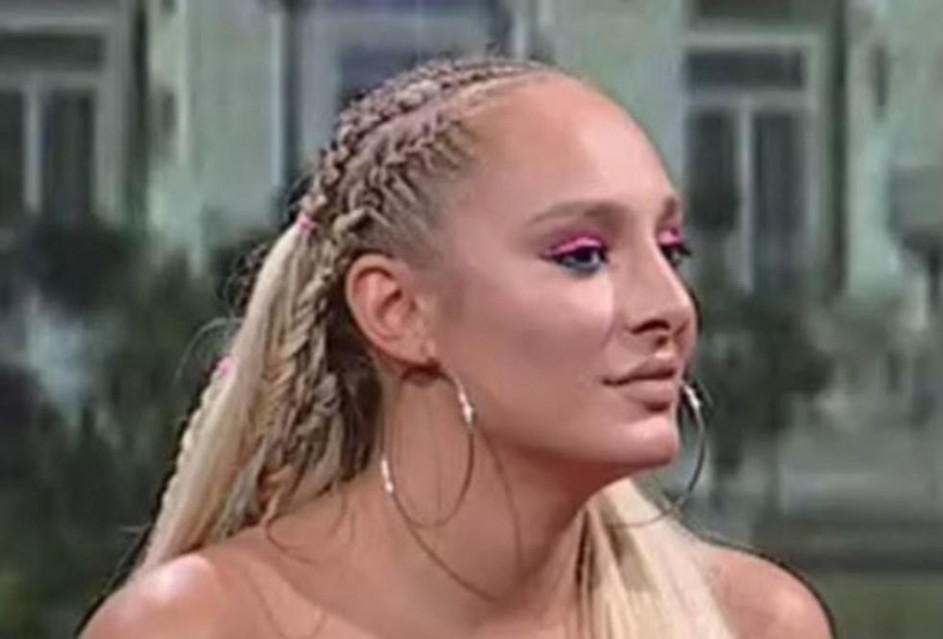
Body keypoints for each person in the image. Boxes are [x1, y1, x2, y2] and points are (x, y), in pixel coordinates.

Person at [81, 56, 833, 639]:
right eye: (582, 255)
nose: (670, 308)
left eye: (671, 250)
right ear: (398, 310)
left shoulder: (751, 624)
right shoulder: (198, 627)